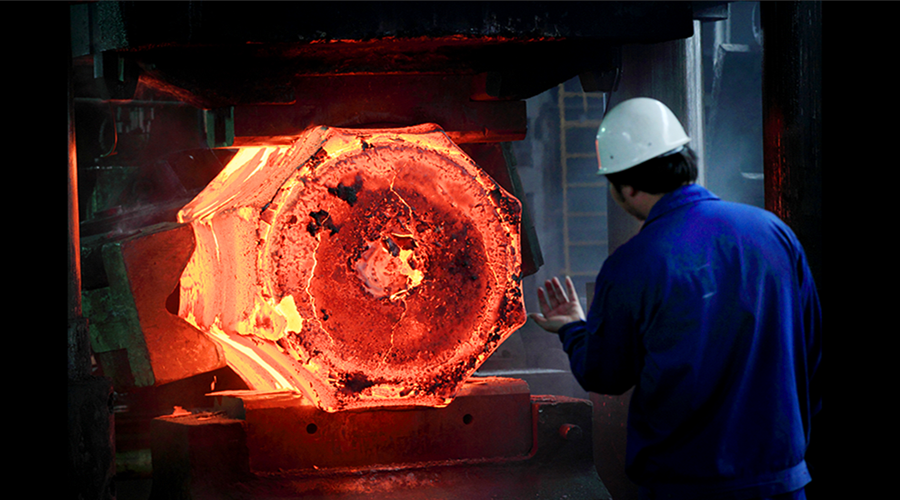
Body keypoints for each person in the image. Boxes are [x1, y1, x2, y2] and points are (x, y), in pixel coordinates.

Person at [529, 98, 821, 500]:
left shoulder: (634, 262)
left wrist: (572, 329)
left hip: (685, 486)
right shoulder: (773, 232)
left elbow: (605, 375)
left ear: (627, 185)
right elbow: (811, 350)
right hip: (780, 481)